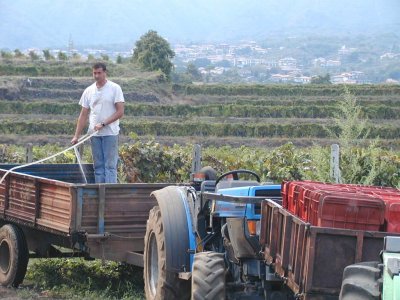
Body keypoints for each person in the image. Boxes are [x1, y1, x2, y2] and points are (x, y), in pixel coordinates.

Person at [71, 62, 125, 183]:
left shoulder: (115, 88)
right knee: (98, 167)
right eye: (94, 73)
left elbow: (120, 112)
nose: (96, 75)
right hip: (94, 134)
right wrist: (76, 136)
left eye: (99, 73)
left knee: (110, 167)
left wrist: (104, 123)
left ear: (105, 73)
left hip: (110, 133)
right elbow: (83, 114)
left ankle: (110, 195)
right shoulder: (89, 91)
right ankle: (99, 194)